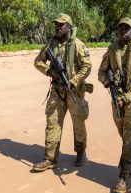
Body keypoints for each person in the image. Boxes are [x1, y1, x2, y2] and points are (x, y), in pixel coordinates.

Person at [32, 13, 92, 171]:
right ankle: (49, 158)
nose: (58, 27)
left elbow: (87, 67)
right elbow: (38, 61)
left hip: (74, 91)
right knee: (52, 123)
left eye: (61, 25)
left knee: (78, 123)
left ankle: (80, 152)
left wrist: (73, 81)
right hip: (57, 90)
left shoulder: (78, 45)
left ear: (69, 27)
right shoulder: (51, 44)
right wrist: (49, 71)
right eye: (56, 25)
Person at [98, 17, 131, 193]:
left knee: (128, 135)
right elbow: (101, 72)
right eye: (121, 28)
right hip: (116, 96)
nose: (124, 31)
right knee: (125, 132)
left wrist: (126, 96)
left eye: (127, 28)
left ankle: (123, 175)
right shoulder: (112, 49)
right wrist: (108, 84)